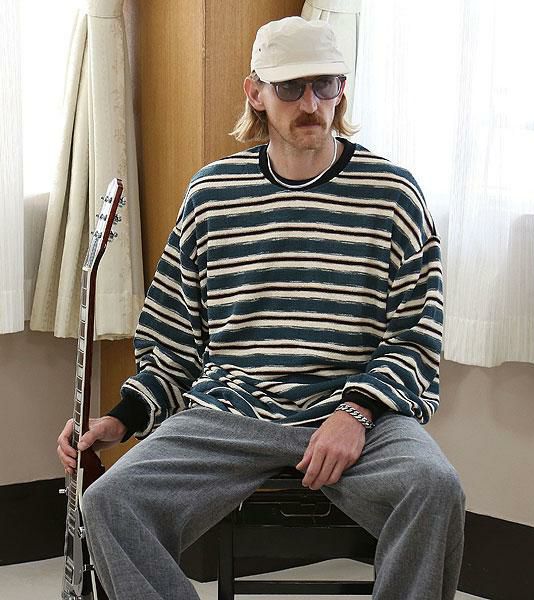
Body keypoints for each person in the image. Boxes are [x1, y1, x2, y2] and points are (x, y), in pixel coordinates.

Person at [57, 16, 465, 600]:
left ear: (342, 89)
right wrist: (121, 418)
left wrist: (356, 413)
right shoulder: (212, 196)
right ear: (255, 93)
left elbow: (416, 334)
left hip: (355, 414)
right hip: (232, 409)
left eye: (324, 84)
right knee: (110, 503)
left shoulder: (393, 194)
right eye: (290, 87)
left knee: (435, 488)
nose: (311, 104)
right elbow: (172, 343)